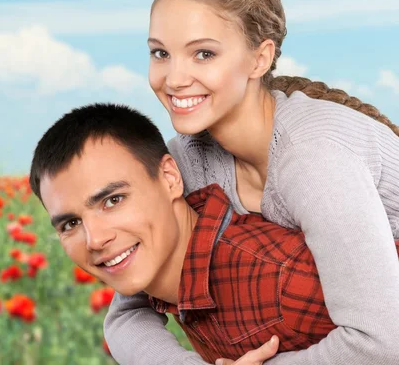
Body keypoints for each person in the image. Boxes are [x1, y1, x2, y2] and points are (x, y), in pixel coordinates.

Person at [104, 0, 399, 364]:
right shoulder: (183, 163)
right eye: (161, 53)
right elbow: (126, 314)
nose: (173, 78)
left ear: (260, 57)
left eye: (203, 53)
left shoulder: (313, 161)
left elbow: (380, 343)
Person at [30, 103, 395, 363]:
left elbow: (384, 341)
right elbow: (124, 318)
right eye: (70, 224)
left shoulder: (280, 280)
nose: (94, 239)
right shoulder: (174, 259)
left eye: (113, 200)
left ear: (171, 179)